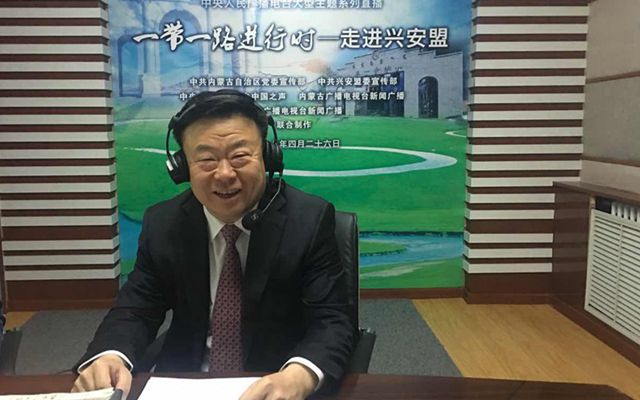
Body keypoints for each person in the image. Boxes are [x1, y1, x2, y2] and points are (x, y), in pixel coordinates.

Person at [72, 90, 355, 399]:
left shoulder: (309, 220)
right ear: (182, 167)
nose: (224, 174)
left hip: (273, 383)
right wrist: (110, 355)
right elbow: (136, 310)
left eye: (239, 156)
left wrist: (299, 376)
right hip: (184, 384)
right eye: (206, 160)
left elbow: (332, 321)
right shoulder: (164, 224)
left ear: (268, 156)